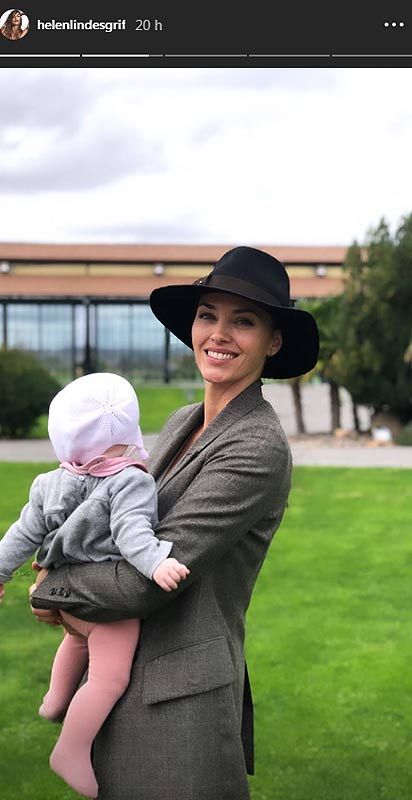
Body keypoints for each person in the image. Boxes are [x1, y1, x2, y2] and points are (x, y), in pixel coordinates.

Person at [31, 246, 319, 800]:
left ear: (273, 341)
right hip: (121, 678)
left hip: (178, 706)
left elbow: (149, 576)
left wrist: (51, 588)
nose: (219, 333)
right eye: (209, 314)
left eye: (245, 321)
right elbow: (120, 516)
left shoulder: (255, 446)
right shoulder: (185, 419)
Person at [0, 372, 189, 799]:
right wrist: (158, 563)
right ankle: (70, 749)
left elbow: (20, 535)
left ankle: (54, 698)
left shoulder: (49, 483)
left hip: (65, 600)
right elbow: (132, 532)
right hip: (105, 604)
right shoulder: (130, 481)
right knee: (108, 679)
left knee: (75, 643)